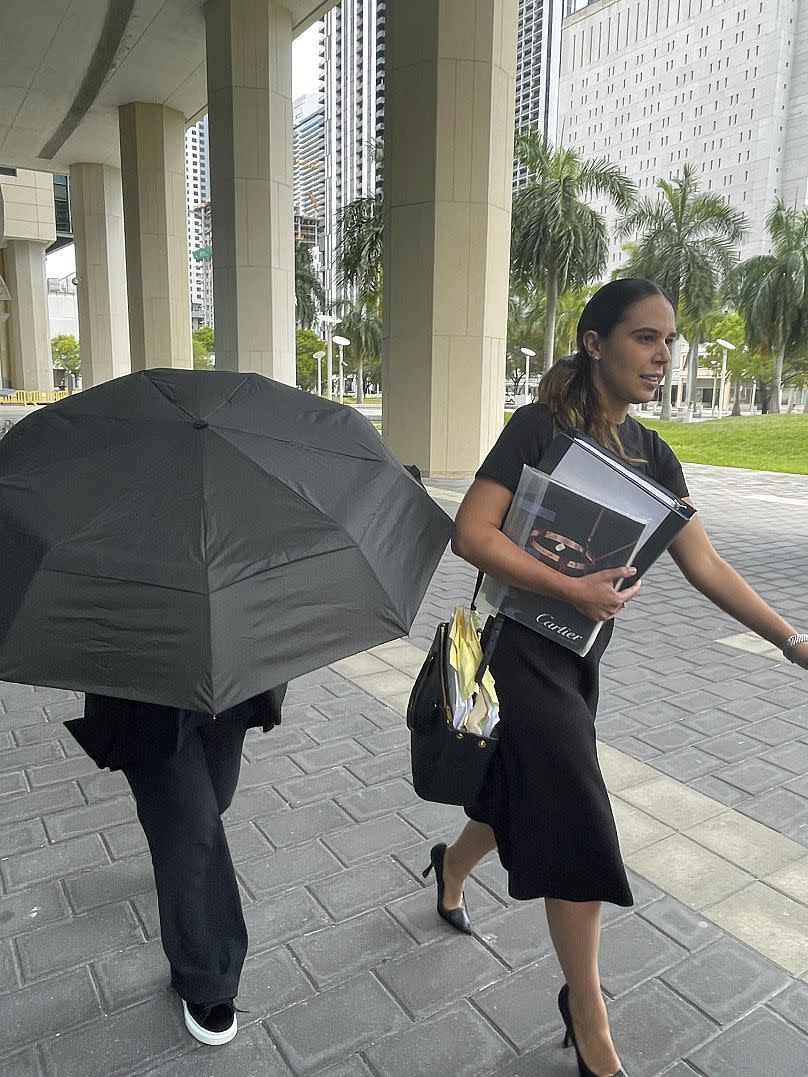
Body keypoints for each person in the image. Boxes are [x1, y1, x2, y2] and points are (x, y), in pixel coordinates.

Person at [424, 278, 808, 1077]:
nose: (663, 354)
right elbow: (470, 533)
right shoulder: (537, 428)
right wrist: (569, 586)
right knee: (579, 819)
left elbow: (704, 561)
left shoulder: (655, 454)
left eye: (669, 340)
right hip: (515, 651)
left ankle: (452, 864)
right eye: (644, 337)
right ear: (595, 344)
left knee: (520, 792)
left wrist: (788, 638)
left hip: (575, 663)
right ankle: (588, 1010)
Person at [65, 686, 286, 1046]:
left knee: (216, 797)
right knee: (193, 827)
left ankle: (169, 830)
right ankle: (208, 978)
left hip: (228, 677)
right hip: (148, 681)